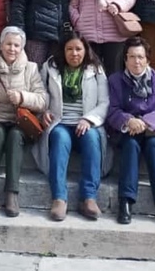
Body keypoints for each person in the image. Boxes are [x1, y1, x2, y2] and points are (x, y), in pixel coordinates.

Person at [0, 26, 48, 218]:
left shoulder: (31, 68)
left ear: (22, 48)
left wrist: (23, 97)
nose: (12, 49)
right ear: (1, 45)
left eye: (17, 45)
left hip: (20, 120)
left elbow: (43, 100)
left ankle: (11, 193)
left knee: (13, 136)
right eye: (9, 44)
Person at [34, 35, 109, 222]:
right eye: (70, 49)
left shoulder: (96, 70)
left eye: (78, 49)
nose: (74, 53)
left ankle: (88, 197)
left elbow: (104, 102)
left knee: (92, 139)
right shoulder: (50, 67)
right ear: (63, 51)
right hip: (60, 122)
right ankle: (59, 198)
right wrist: (44, 112)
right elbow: (40, 93)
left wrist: (89, 120)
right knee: (59, 138)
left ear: (85, 51)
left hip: (87, 123)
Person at [106, 36, 155, 227]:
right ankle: (126, 202)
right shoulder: (115, 80)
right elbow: (112, 111)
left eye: (140, 57)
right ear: (125, 59)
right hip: (127, 131)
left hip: (154, 131)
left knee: (154, 146)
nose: (136, 61)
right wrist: (129, 120)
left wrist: (144, 122)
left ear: (147, 59)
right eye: (132, 57)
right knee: (130, 145)